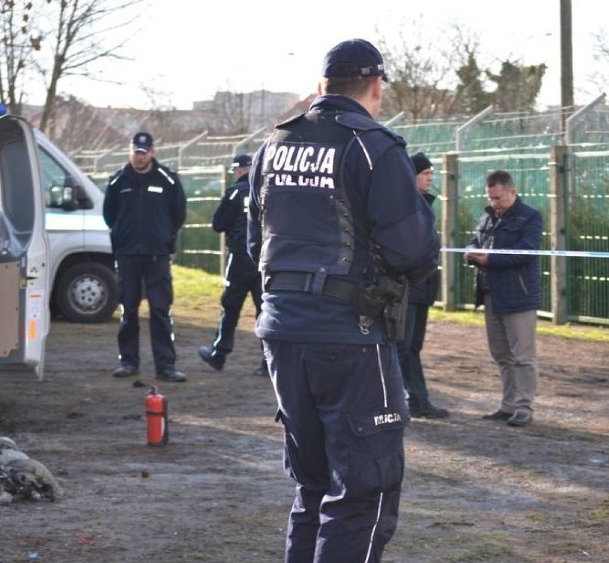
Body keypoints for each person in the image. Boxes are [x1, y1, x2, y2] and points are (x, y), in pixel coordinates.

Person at [247, 39, 439, 562]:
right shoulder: (373, 146)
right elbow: (413, 249)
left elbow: (253, 243)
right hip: (349, 337)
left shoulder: (273, 146)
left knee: (312, 486)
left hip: (281, 332)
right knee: (362, 490)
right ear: (376, 87)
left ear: (321, 87)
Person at [103, 132, 187, 383]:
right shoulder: (118, 181)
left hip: (156, 255)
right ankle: (128, 362)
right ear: (130, 152)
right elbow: (110, 214)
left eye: (144, 152)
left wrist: (163, 236)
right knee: (128, 311)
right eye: (136, 152)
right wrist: (121, 235)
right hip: (128, 254)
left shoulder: (168, 180)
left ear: (152, 153)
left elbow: (178, 214)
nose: (139, 157)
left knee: (160, 310)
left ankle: (166, 366)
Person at [464, 170, 542, 428]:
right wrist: (470, 252)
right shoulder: (487, 215)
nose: (495, 202)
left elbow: (527, 251)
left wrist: (491, 259)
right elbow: (475, 239)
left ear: (512, 192)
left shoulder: (530, 217)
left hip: (518, 296)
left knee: (523, 355)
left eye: (499, 198)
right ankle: (507, 405)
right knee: (501, 354)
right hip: (491, 294)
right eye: (491, 197)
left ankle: (524, 408)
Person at [197, 153, 267, 376]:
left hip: (239, 257)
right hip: (265, 258)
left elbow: (218, 224)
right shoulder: (268, 190)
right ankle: (269, 361)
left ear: (239, 170)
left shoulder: (235, 191)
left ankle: (219, 354)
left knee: (230, 308)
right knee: (266, 311)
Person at [396, 152, 448, 419]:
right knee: (402, 347)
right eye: (424, 173)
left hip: (422, 288)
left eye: (431, 173)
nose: (430, 178)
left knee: (412, 347)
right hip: (409, 289)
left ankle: (417, 400)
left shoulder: (424, 204)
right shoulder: (408, 206)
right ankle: (402, 399)